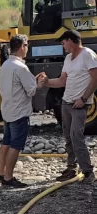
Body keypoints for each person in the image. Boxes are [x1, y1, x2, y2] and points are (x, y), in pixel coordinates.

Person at [38, 30, 97, 183]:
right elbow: (62, 81)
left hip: (79, 104)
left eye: (63, 42)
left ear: (71, 40)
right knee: (68, 137)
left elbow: (95, 79)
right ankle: (71, 168)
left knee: (76, 136)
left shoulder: (88, 55)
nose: (62, 45)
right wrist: (47, 82)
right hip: (67, 102)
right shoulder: (68, 58)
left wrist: (83, 99)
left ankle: (88, 172)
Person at [0, 34, 44, 188]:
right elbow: (31, 91)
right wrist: (40, 83)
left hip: (8, 110)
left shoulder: (5, 66)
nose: (27, 49)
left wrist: (32, 80)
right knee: (16, 145)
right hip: (19, 112)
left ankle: (1, 174)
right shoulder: (21, 67)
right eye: (27, 46)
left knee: (6, 143)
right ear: (23, 46)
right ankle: (8, 178)